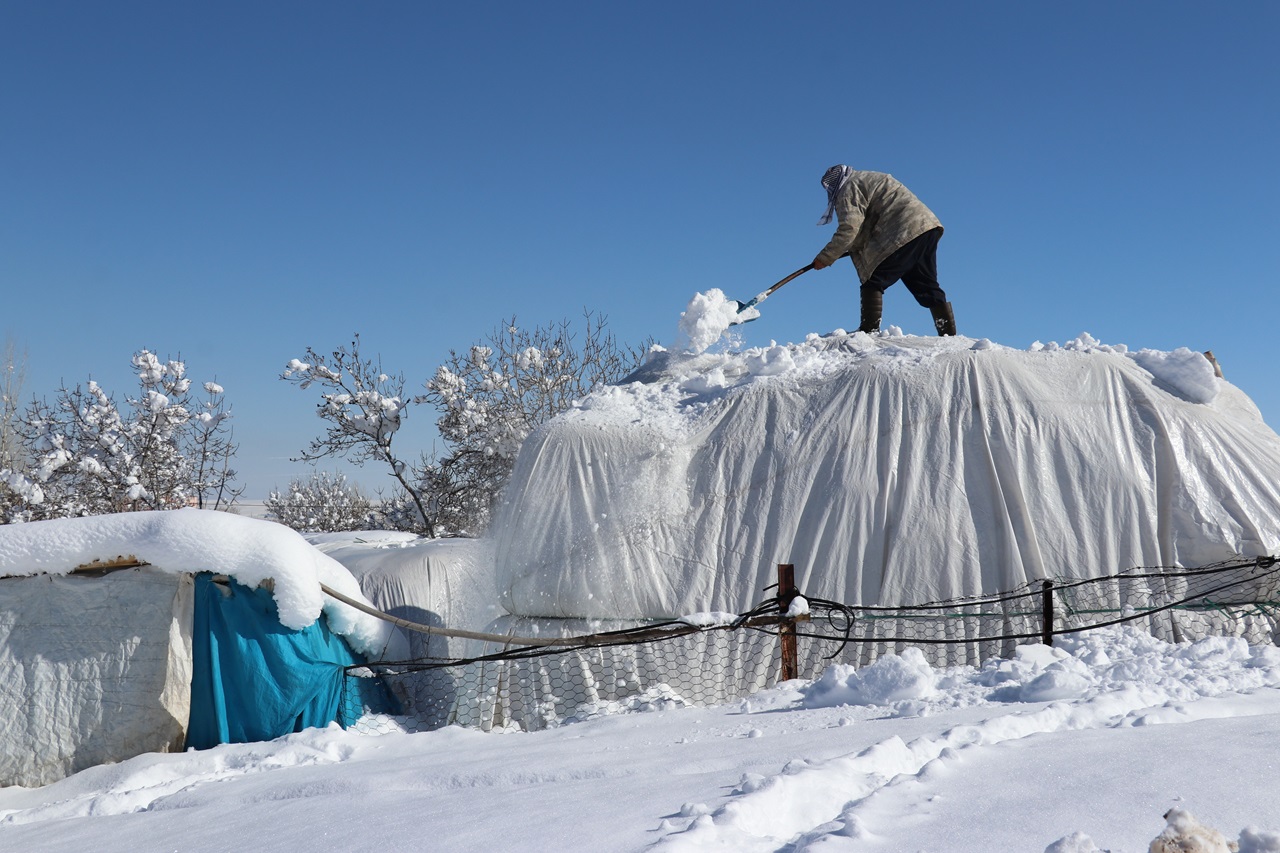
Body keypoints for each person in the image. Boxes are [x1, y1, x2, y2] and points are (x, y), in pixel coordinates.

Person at [812, 165, 956, 336]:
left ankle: (868, 332)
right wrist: (849, 248)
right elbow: (863, 228)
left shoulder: (848, 189)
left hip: (904, 230)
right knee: (924, 284)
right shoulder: (867, 178)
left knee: (873, 281)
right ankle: (949, 336)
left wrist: (826, 257)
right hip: (926, 227)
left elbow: (850, 228)